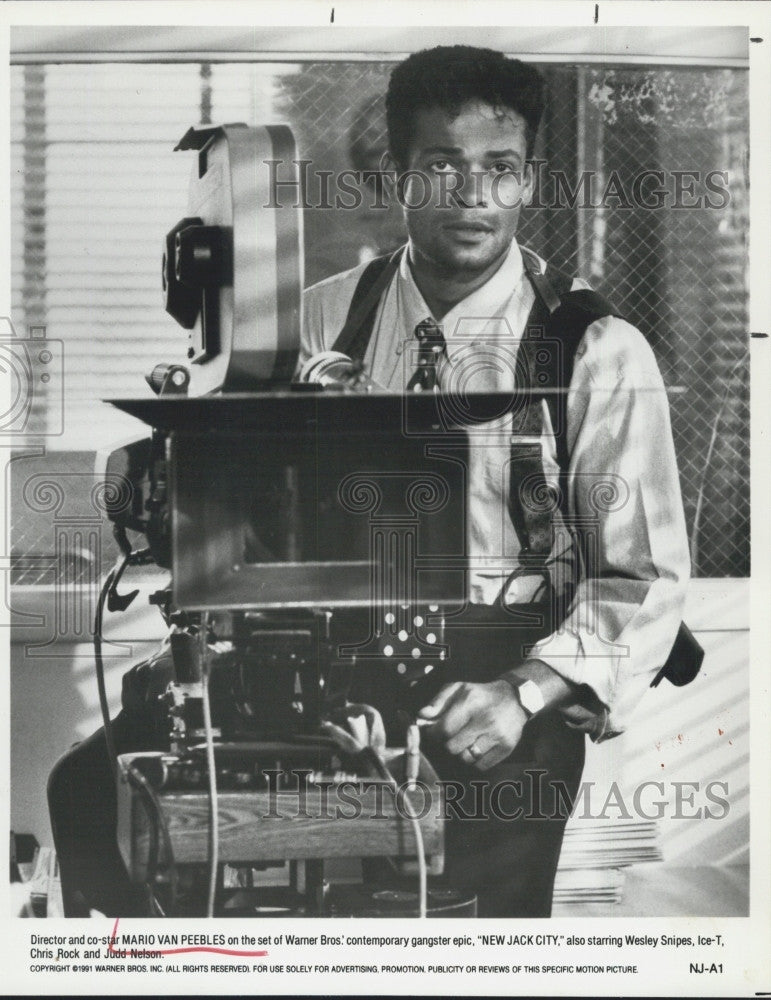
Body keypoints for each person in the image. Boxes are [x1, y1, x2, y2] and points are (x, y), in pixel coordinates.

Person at [300, 45, 690, 916]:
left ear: (528, 181)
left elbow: (643, 577)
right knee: (122, 811)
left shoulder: (595, 349)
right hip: (341, 673)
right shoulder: (324, 319)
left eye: (499, 169)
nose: (473, 196)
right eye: (442, 166)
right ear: (396, 173)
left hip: (511, 690)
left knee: (473, 937)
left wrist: (526, 691)